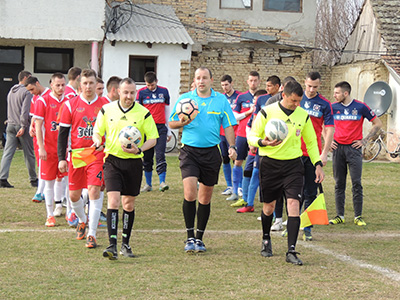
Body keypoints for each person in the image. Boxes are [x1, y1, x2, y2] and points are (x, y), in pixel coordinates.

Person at [248, 81, 324, 265]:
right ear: (284, 95)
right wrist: (263, 143)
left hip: (293, 166)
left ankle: (291, 251)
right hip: (270, 164)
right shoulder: (267, 112)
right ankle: (266, 239)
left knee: (293, 206)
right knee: (269, 208)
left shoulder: (303, 115)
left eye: (299, 101)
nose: (297, 104)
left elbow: (312, 142)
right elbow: (252, 135)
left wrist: (318, 164)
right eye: (293, 101)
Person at [169, 67, 237, 253]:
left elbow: (229, 125)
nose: (201, 81)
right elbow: (172, 122)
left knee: (205, 198)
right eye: (198, 78)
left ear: (211, 80)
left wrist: (232, 147)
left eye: (204, 78)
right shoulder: (185, 99)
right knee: (190, 193)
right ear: (195, 80)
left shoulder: (220, 100)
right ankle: (189, 237)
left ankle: (199, 238)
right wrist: (183, 122)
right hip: (189, 152)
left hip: (211, 153)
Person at [93, 77, 158, 260]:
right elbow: (98, 131)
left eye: (132, 93)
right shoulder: (107, 110)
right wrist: (97, 140)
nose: (129, 96)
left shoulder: (143, 113)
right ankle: (112, 245)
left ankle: (125, 244)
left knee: (128, 204)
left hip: (134, 163)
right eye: (126, 92)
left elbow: (153, 138)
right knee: (113, 201)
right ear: (118, 91)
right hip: (112, 161)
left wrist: (140, 149)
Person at [58, 69, 110, 248]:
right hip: (77, 155)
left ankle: (92, 234)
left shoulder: (105, 104)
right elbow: (63, 134)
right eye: (85, 83)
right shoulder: (70, 105)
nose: (88, 87)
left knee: (94, 192)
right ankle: (82, 219)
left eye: (91, 83)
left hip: (96, 154)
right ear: (80, 85)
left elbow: (111, 130)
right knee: (73, 196)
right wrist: (61, 158)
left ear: (97, 84)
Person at [329, 81, 382, 226]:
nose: (334, 95)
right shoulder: (332, 107)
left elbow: (377, 123)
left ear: (345, 93)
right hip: (338, 149)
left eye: (337, 93)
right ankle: (340, 215)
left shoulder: (360, 106)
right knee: (339, 183)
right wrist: (328, 141)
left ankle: (358, 216)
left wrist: (364, 141)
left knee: (356, 183)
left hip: (353, 149)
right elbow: (323, 124)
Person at [298, 71, 334, 241]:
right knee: (293, 190)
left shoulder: (325, 104)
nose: (311, 90)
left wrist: (324, 153)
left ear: (319, 86)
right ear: (304, 83)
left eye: (315, 87)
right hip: (294, 152)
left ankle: (307, 227)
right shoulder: (297, 99)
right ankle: (293, 222)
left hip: (312, 154)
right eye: (309, 86)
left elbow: (329, 129)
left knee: (310, 191)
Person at [34, 73, 68, 226]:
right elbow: (38, 126)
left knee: (65, 179)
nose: (61, 88)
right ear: (51, 85)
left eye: (63, 85)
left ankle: (63, 207)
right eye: (57, 85)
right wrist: (41, 148)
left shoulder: (69, 101)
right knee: (48, 182)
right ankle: (49, 214)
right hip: (48, 148)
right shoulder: (43, 101)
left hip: (65, 150)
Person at [231, 89, 267, 213]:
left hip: (264, 149)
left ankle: (258, 203)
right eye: (254, 101)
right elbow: (248, 126)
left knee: (260, 174)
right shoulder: (254, 114)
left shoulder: (268, 114)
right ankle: (246, 200)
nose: (255, 104)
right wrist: (252, 142)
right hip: (253, 147)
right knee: (247, 171)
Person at [0, 70, 37, 188]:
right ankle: (33, 179)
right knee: (29, 153)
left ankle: (2, 178)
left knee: (8, 152)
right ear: (25, 78)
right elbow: (25, 111)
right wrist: (23, 126)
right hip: (22, 126)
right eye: (30, 78)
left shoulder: (11, 90)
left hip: (10, 124)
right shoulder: (27, 92)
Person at [227, 71, 260, 201]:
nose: (253, 83)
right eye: (251, 80)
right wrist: (249, 112)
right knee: (238, 161)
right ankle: (235, 191)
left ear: (259, 81)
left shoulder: (263, 97)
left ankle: (248, 194)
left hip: (257, 136)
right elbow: (235, 117)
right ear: (247, 81)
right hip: (242, 134)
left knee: (254, 165)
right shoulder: (241, 97)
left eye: (255, 80)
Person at [136, 71, 171, 192]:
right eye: (148, 85)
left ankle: (162, 182)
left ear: (156, 81)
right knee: (147, 156)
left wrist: (169, 130)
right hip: (146, 129)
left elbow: (167, 110)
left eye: (152, 84)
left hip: (161, 128)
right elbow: (138, 112)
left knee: (160, 154)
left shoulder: (164, 91)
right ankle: (148, 184)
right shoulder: (141, 93)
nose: (150, 87)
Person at [25, 76, 51, 201]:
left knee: (47, 164)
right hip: (38, 135)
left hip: (49, 136)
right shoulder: (35, 97)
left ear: (37, 83)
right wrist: (31, 126)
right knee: (41, 162)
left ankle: (42, 192)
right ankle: (42, 191)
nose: (31, 92)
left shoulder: (49, 96)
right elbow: (34, 116)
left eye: (32, 89)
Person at [220, 74, 241, 196]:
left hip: (234, 132)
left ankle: (238, 186)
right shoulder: (221, 98)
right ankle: (229, 185)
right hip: (222, 132)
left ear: (231, 83)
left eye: (226, 85)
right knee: (225, 158)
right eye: (222, 85)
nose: (225, 87)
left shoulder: (239, 97)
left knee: (236, 159)